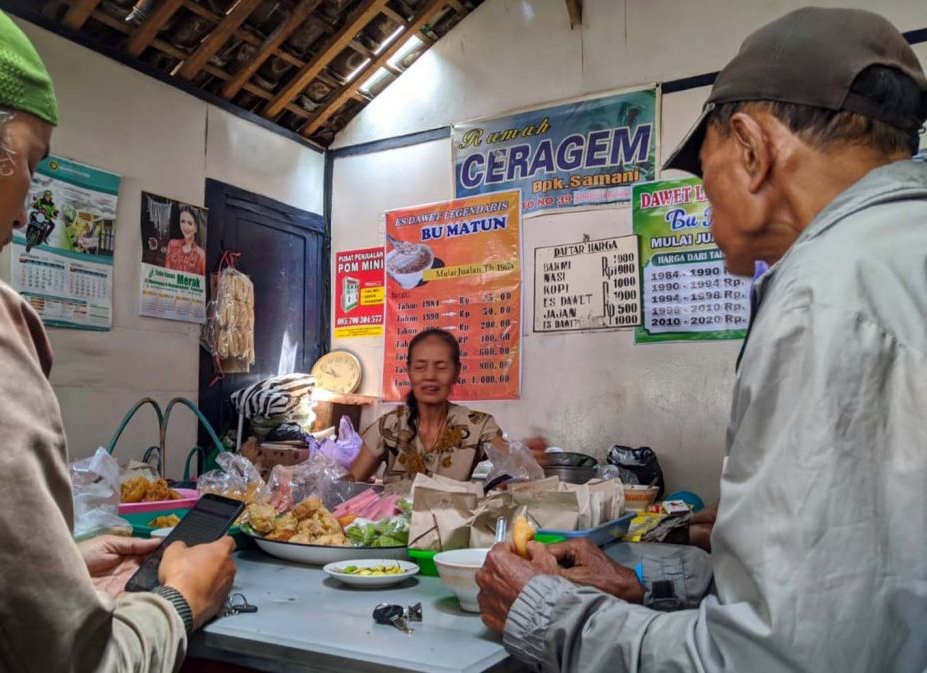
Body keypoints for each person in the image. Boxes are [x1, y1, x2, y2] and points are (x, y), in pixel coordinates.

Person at [476, 8, 927, 673]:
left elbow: (772, 661)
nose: (703, 201)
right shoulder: (897, 254)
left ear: (751, 148)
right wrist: (648, 585)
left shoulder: (826, 297)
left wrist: (549, 615)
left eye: (703, 173)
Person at [0, 2, 235, 671]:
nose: (28, 208)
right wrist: (179, 600)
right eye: (29, 161)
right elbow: (75, 665)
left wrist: (57, 571)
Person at [350, 328, 506, 483]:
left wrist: (526, 458)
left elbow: (515, 464)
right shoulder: (389, 426)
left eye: (441, 367)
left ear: (457, 372)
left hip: (452, 508)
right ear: (409, 371)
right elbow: (349, 484)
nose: (430, 376)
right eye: (420, 367)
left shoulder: (478, 425)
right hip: (397, 508)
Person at [164, 204, 205, 275]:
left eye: (189, 223)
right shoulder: (172, 244)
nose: (185, 227)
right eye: (182, 221)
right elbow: (166, 274)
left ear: (195, 227)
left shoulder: (201, 254)